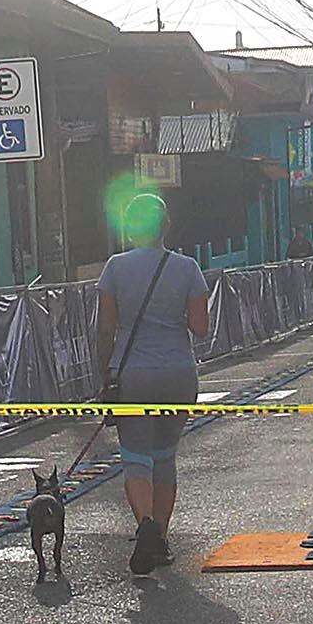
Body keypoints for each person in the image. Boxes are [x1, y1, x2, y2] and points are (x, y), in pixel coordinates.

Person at [92, 190, 212, 575]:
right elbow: (200, 328)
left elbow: (106, 327)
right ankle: (160, 536)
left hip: (133, 377)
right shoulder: (188, 268)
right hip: (178, 374)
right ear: (167, 227)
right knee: (165, 456)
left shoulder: (114, 268)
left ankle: (144, 525)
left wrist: (105, 372)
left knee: (136, 456)